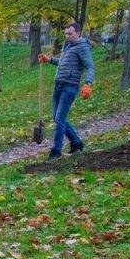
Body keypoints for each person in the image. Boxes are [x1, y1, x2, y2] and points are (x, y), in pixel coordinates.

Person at [39, 22, 94, 158]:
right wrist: (49, 60)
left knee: (59, 118)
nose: (67, 36)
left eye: (70, 33)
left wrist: (88, 84)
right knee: (57, 117)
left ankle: (56, 151)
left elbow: (91, 66)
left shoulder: (82, 47)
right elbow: (64, 63)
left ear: (78, 33)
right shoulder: (68, 46)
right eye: (66, 33)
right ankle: (76, 142)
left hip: (70, 86)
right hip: (59, 84)